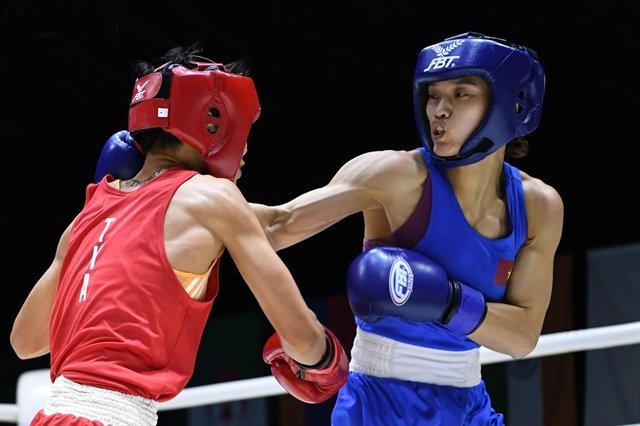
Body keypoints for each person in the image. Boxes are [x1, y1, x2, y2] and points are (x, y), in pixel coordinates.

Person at [10, 45, 348, 426]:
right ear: (211, 123)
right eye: (246, 131)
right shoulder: (212, 197)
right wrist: (325, 361)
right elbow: (301, 337)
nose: (247, 148)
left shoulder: (87, 216)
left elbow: (25, 341)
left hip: (52, 415)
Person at [249, 32, 564, 424]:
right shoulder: (395, 176)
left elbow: (522, 337)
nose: (440, 110)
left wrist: (447, 301)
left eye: (461, 94)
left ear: (507, 104)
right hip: (377, 402)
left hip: (468, 405)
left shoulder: (538, 206)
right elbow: (278, 225)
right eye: (433, 95)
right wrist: (186, 197)